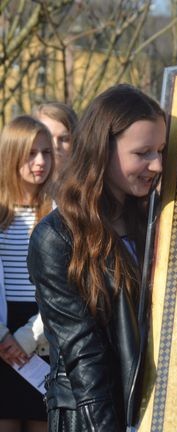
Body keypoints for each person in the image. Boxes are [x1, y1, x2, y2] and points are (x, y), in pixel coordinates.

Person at [27, 84, 165, 431]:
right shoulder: (57, 237)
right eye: (143, 152)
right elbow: (83, 355)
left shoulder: (158, 222)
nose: (157, 164)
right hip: (91, 417)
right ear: (103, 150)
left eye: (161, 150)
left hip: (159, 408)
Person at [0, 115, 54, 432]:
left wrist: (25, 338)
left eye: (46, 152)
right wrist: (3, 336)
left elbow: (67, 289)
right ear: (11, 154)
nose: (41, 162)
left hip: (41, 335)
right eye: (31, 153)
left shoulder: (61, 212)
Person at [32, 102, 78, 181]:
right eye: (48, 137)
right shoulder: (18, 188)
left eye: (64, 139)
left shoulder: (89, 189)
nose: (55, 145)